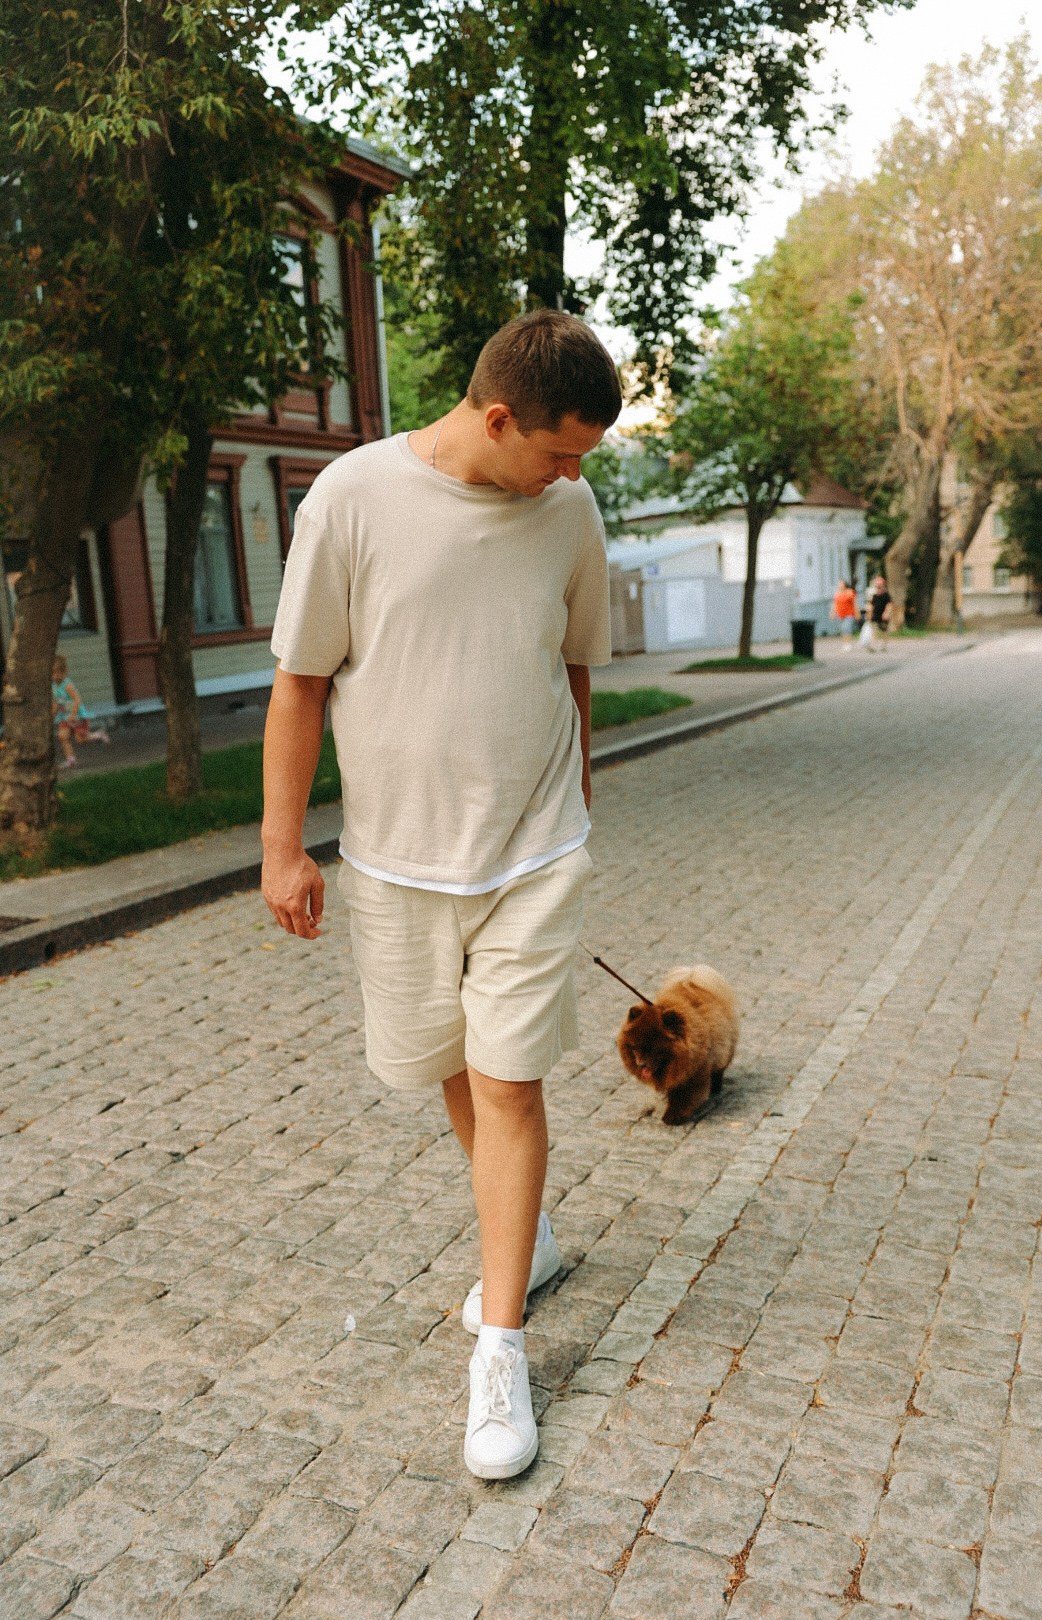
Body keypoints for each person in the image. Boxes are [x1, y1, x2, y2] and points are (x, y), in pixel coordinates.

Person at [261, 309, 621, 1481]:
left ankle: (502, 1349)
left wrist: (574, 798)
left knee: (509, 1082)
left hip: (531, 855)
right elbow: (301, 683)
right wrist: (283, 848)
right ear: (498, 417)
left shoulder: (566, 512)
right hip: (401, 866)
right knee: (457, 1072)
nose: (574, 478)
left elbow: (573, 667)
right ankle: (534, 1237)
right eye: (562, 451)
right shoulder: (352, 500)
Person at [52, 656, 110, 767]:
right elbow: (56, 702)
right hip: (64, 716)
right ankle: (71, 759)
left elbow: (77, 699)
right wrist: (53, 715)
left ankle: (99, 734)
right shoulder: (53, 686)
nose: (56, 677)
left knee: (81, 739)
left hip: (77, 715)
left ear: (65, 672)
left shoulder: (67, 685)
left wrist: (73, 715)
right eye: (53, 674)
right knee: (62, 736)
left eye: (58, 673)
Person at [831, 578, 859, 648]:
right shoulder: (837, 594)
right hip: (840, 615)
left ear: (845, 585)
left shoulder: (850, 592)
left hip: (849, 614)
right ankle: (845, 643)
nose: (839, 585)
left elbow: (855, 604)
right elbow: (835, 604)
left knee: (847, 628)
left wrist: (857, 613)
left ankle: (848, 644)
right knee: (843, 629)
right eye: (839, 584)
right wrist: (833, 613)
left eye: (841, 584)